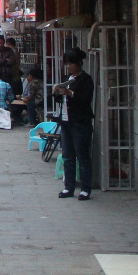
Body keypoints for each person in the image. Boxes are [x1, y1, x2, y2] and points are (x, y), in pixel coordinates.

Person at [52, 50, 96, 199]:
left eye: (71, 63)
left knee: (82, 156)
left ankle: (85, 188)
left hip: (80, 122)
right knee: (67, 156)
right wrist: (57, 92)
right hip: (65, 121)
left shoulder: (86, 80)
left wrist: (71, 94)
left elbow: (86, 99)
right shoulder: (67, 78)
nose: (68, 66)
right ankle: (68, 187)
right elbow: (59, 100)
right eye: (66, 63)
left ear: (78, 64)